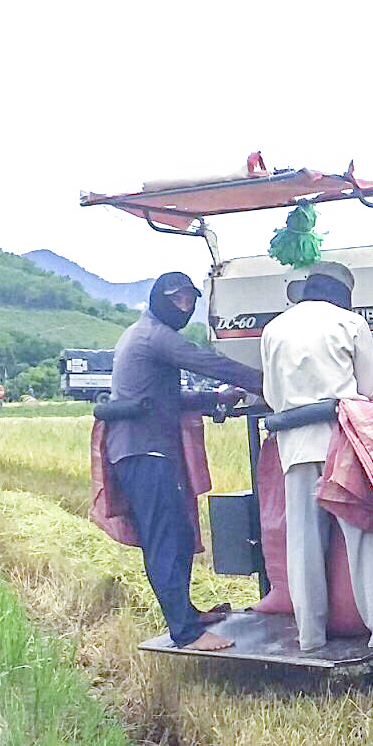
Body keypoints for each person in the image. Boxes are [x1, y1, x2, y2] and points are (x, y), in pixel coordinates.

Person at [107, 271, 263, 651]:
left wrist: (217, 399)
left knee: (177, 535)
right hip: (143, 451)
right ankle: (186, 632)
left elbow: (170, 399)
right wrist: (270, 379)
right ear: (160, 299)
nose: (185, 306)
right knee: (162, 539)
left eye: (190, 300)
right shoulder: (154, 335)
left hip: (147, 449)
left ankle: (187, 614)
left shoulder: (145, 333)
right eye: (177, 299)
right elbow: (209, 363)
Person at [259, 261, 373, 653]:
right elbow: (370, 390)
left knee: (304, 543)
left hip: (294, 447)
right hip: (342, 445)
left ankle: (310, 636)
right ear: (345, 292)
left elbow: (272, 396)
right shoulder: (350, 324)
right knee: (363, 540)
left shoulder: (273, 329)